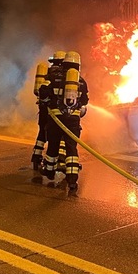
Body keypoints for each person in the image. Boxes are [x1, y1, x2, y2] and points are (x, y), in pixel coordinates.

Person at [39, 50, 89, 196]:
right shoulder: (81, 81)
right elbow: (85, 101)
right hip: (73, 120)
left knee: (53, 145)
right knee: (71, 149)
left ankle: (49, 171)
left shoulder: (54, 77)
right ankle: (72, 180)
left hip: (56, 119)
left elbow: (43, 91)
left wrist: (47, 102)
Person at [30, 51, 67, 171]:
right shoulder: (63, 75)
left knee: (42, 132)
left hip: (43, 108)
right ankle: (59, 159)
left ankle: (36, 156)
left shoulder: (46, 73)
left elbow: (40, 91)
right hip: (54, 111)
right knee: (59, 134)